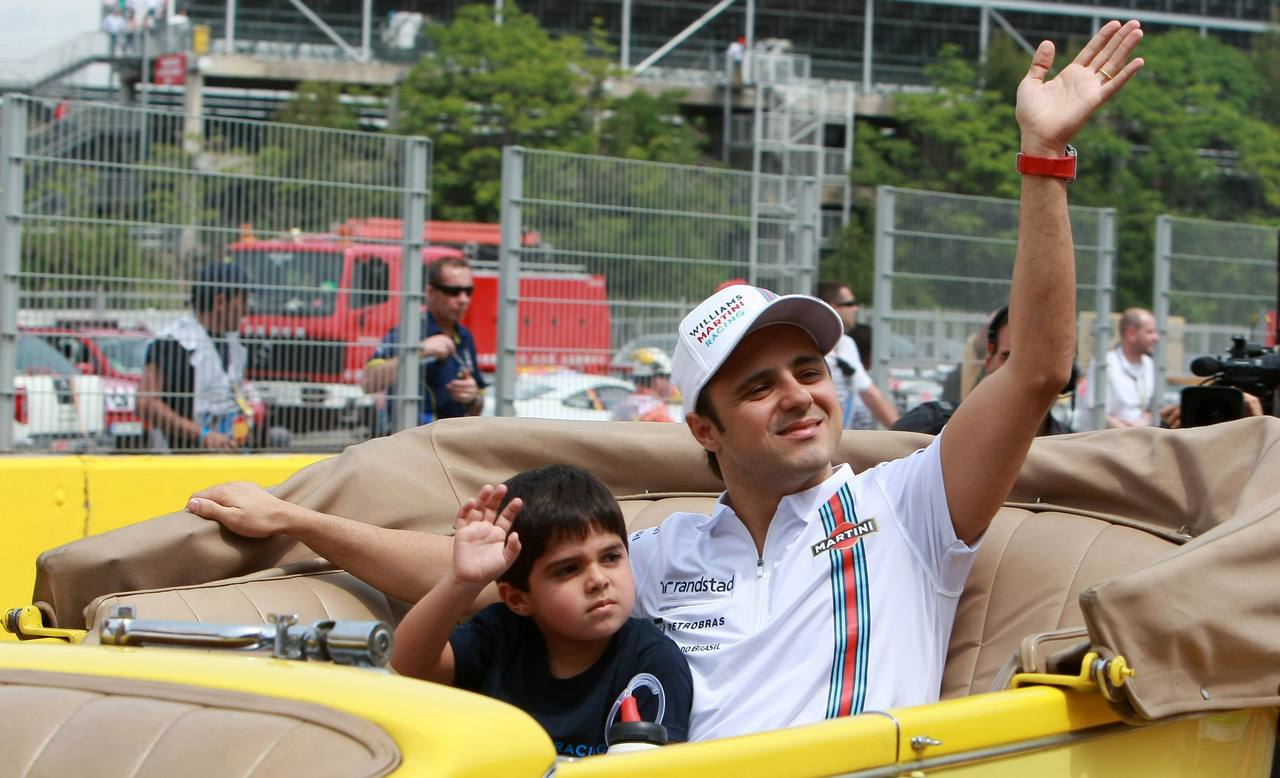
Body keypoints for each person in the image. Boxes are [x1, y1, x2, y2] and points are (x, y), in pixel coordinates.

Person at [188, 19, 1145, 741]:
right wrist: (301, 523)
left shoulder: (909, 507)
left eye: (809, 369)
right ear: (705, 430)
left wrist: (1045, 160)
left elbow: (1035, 373)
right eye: (759, 385)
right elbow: (486, 578)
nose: (801, 394)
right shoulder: (663, 551)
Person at [391, 465, 693, 756]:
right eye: (568, 569)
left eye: (611, 557)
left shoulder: (652, 660)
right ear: (518, 599)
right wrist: (462, 582)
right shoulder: (500, 634)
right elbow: (408, 664)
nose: (599, 580)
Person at [893, 305, 1074, 436]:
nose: (1022, 372)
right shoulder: (931, 426)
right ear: (989, 364)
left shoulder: (1073, 454)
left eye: (1034, 360)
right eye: (1008, 357)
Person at [137, 261, 261, 451]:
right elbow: (145, 404)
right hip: (180, 462)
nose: (246, 310)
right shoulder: (172, 343)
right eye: (242, 300)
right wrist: (201, 434)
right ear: (220, 302)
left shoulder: (234, 343)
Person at [362, 256, 486, 426]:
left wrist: (473, 397)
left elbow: (477, 408)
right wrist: (420, 351)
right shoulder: (408, 333)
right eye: (453, 291)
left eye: (468, 291)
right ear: (431, 293)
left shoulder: (465, 337)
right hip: (412, 443)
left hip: (451, 445)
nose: (463, 299)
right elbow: (369, 383)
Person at [816, 281, 898, 429]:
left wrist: (905, 434)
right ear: (835, 308)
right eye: (850, 303)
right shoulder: (810, 345)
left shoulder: (847, 344)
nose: (856, 308)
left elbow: (870, 394)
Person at [1080, 307, 1158, 429]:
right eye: (1149, 332)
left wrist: (1143, 422)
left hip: (1139, 438)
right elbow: (1095, 411)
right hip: (1106, 441)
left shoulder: (1150, 365)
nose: (1156, 338)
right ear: (1131, 333)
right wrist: (1126, 432)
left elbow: (1153, 409)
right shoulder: (1104, 364)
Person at [611, 348, 676, 423]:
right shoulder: (658, 414)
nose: (670, 384)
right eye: (668, 378)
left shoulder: (621, 407)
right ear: (658, 379)